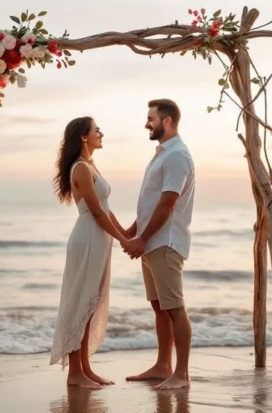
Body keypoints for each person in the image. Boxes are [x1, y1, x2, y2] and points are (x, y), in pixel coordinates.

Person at [49, 116, 131, 390]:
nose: (101, 133)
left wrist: (125, 234)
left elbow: (105, 208)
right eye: (97, 130)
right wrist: (122, 240)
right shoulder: (81, 168)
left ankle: (85, 369)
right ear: (84, 137)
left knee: (91, 303)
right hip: (89, 237)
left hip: (99, 236)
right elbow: (96, 212)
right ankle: (74, 374)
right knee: (82, 302)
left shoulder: (91, 166)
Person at [123, 99, 195, 390]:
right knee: (159, 306)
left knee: (175, 307)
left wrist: (141, 237)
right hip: (152, 241)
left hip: (165, 242)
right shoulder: (162, 155)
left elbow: (167, 205)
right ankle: (163, 365)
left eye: (150, 118)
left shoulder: (177, 156)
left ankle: (182, 374)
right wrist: (132, 230)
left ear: (166, 121)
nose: (146, 124)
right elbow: (152, 203)